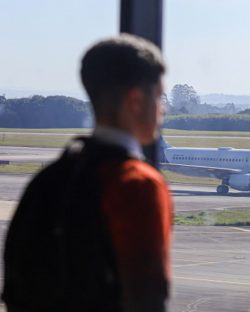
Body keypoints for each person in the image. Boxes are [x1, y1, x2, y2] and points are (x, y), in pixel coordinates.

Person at [2, 34, 173, 312]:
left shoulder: (49, 178)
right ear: (136, 101)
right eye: (159, 96)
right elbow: (147, 299)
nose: (163, 109)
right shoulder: (138, 184)